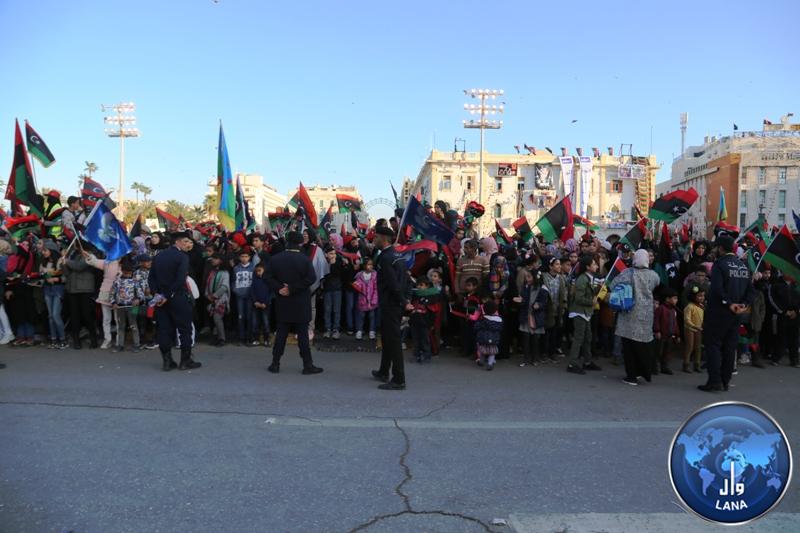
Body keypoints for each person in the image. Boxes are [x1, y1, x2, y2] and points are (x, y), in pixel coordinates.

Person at [699, 235, 753, 392]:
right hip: (736, 314)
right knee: (730, 347)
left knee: (713, 346)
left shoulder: (719, 264)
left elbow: (717, 289)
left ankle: (714, 381)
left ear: (721, 248)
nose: (715, 250)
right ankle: (725, 381)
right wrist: (742, 304)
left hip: (719, 312)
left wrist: (729, 304)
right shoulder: (743, 266)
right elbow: (751, 291)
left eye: (716, 247)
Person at [264, 231, 323, 375]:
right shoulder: (304, 260)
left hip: (283, 302)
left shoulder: (276, 259)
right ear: (300, 243)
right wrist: (293, 288)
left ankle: (275, 363)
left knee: (281, 334)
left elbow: (267, 277)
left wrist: (281, 288)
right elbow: (311, 278)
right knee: (302, 335)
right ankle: (307, 365)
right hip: (300, 302)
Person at [149, 231, 202, 371]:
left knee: (164, 330)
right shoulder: (182, 257)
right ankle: (185, 361)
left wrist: (157, 295)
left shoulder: (158, 256)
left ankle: (167, 362)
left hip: (161, 299)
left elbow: (151, 279)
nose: (188, 245)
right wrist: (167, 295)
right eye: (185, 242)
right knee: (185, 329)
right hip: (177, 297)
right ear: (177, 242)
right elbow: (180, 280)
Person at [610, 248, 661, 386]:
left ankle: (631, 376)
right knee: (643, 345)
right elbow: (657, 284)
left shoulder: (627, 273)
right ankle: (641, 372)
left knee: (629, 347)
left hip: (629, 313)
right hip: (646, 315)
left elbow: (613, 284)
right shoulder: (654, 275)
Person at [371, 226, 412, 390]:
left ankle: (399, 379)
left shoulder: (386, 257)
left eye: (376, 237)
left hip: (391, 303)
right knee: (387, 339)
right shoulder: (397, 255)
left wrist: (403, 301)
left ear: (384, 239)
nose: (374, 240)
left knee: (393, 341)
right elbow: (407, 280)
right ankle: (383, 371)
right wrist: (406, 299)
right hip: (395, 302)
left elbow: (392, 283)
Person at [567, 255, 602, 374]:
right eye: (593, 264)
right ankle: (573, 363)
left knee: (588, 337)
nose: (596, 266)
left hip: (586, 312)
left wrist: (598, 289)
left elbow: (589, 293)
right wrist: (591, 302)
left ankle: (587, 361)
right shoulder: (582, 279)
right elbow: (578, 298)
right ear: (587, 267)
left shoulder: (589, 277)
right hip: (579, 312)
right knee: (579, 338)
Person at [59, 245, 99, 350]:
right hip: (72, 289)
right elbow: (67, 273)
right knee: (74, 316)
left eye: (77, 244)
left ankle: (93, 339)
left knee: (87, 315)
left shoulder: (89, 255)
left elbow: (79, 266)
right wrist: (63, 263)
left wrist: (67, 261)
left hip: (85, 289)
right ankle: (76, 341)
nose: (76, 247)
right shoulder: (72, 255)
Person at [110, 258, 144, 353]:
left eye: (129, 272)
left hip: (133, 307)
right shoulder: (117, 281)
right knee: (121, 326)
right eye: (126, 272)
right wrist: (113, 303)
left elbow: (141, 294)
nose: (128, 274)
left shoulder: (135, 282)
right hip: (120, 306)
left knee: (133, 325)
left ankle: (137, 344)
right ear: (123, 271)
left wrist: (138, 300)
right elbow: (112, 293)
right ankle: (120, 345)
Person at [39, 240, 68, 349]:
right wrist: (44, 278)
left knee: (56, 315)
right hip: (47, 289)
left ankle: (63, 339)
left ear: (51, 249)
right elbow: (42, 276)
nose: (44, 252)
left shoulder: (60, 261)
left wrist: (57, 278)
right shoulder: (43, 262)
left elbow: (66, 277)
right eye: (43, 251)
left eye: (45, 250)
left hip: (58, 289)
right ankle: (53, 339)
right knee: (50, 316)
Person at [205, 253, 230, 347]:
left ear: (220, 261)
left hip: (221, 299)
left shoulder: (225, 273)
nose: (212, 260)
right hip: (212, 299)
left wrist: (214, 296)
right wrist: (207, 295)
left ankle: (222, 339)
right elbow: (208, 284)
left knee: (217, 318)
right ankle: (217, 337)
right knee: (215, 319)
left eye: (215, 258)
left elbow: (224, 287)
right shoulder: (213, 272)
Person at [653, 288, 680, 375]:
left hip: (669, 335)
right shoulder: (661, 309)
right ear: (667, 299)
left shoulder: (673, 310)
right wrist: (657, 331)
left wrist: (677, 334)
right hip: (661, 335)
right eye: (674, 298)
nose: (676, 300)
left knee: (666, 352)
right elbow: (656, 320)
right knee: (658, 351)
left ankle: (664, 367)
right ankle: (654, 367)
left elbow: (675, 323)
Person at [233, 250, 256, 345]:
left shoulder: (253, 267)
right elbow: (233, 281)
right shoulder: (236, 268)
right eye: (242, 256)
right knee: (240, 317)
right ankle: (241, 337)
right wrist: (236, 290)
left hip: (250, 296)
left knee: (249, 317)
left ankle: (249, 337)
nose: (244, 258)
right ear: (239, 257)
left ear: (249, 257)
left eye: (246, 256)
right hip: (240, 296)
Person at [352, 257, 378, 340]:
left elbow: (376, 289)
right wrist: (357, 285)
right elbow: (357, 285)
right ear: (364, 265)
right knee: (361, 316)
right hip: (362, 299)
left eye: (371, 265)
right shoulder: (360, 275)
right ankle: (359, 330)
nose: (370, 266)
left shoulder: (375, 275)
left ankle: (372, 331)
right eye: (368, 264)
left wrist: (374, 299)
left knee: (372, 316)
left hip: (372, 300)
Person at [409, 277, 434, 364]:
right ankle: (416, 354)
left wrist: (431, 323)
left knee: (424, 339)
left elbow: (432, 311)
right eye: (418, 285)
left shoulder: (430, 297)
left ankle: (426, 354)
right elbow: (411, 307)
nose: (419, 287)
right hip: (415, 320)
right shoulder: (415, 296)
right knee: (415, 339)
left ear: (427, 286)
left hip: (424, 322)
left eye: (421, 285)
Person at [322, 246, 344, 339]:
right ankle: (328, 329)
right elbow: (324, 275)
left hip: (337, 289)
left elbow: (338, 273)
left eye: (334, 253)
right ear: (326, 254)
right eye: (331, 253)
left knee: (336, 310)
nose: (333, 255)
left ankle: (336, 329)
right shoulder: (324, 262)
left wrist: (334, 264)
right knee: (327, 310)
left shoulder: (338, 262)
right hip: (327, 289)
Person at [474, 300, 502, 370]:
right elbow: (500, 329)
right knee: (492, 352)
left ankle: (481, 361)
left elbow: (476, 327)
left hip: (483, 338)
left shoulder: (482, 319)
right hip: (493, 339)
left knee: (483, 350)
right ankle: (490, 364)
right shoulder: (498, 320)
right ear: (495, 310)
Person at [683, 287, 705, 373]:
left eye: (703, 296)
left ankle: (697, 364)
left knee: (698, 347)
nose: (702, 297)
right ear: (693, 297)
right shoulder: (690, 306)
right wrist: (695, 326)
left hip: (699, 328)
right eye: (699, 296)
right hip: (690, 328)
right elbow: (687, 319)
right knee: (690, 347)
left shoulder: (702, 306)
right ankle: (686, 364)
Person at [250, 262, 272, 346]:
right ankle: (256, 339)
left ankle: (267, 340)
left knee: (266, 323)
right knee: (255, 323)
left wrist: (265, 303)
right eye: (256, 271)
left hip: (265, 306)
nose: (258, 272)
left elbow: (271, 293)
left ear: (264, 270)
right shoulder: (255, 280)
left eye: (259, 270)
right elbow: (252, 292)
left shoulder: (268, 280)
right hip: (256, 305)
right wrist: (255, 301)